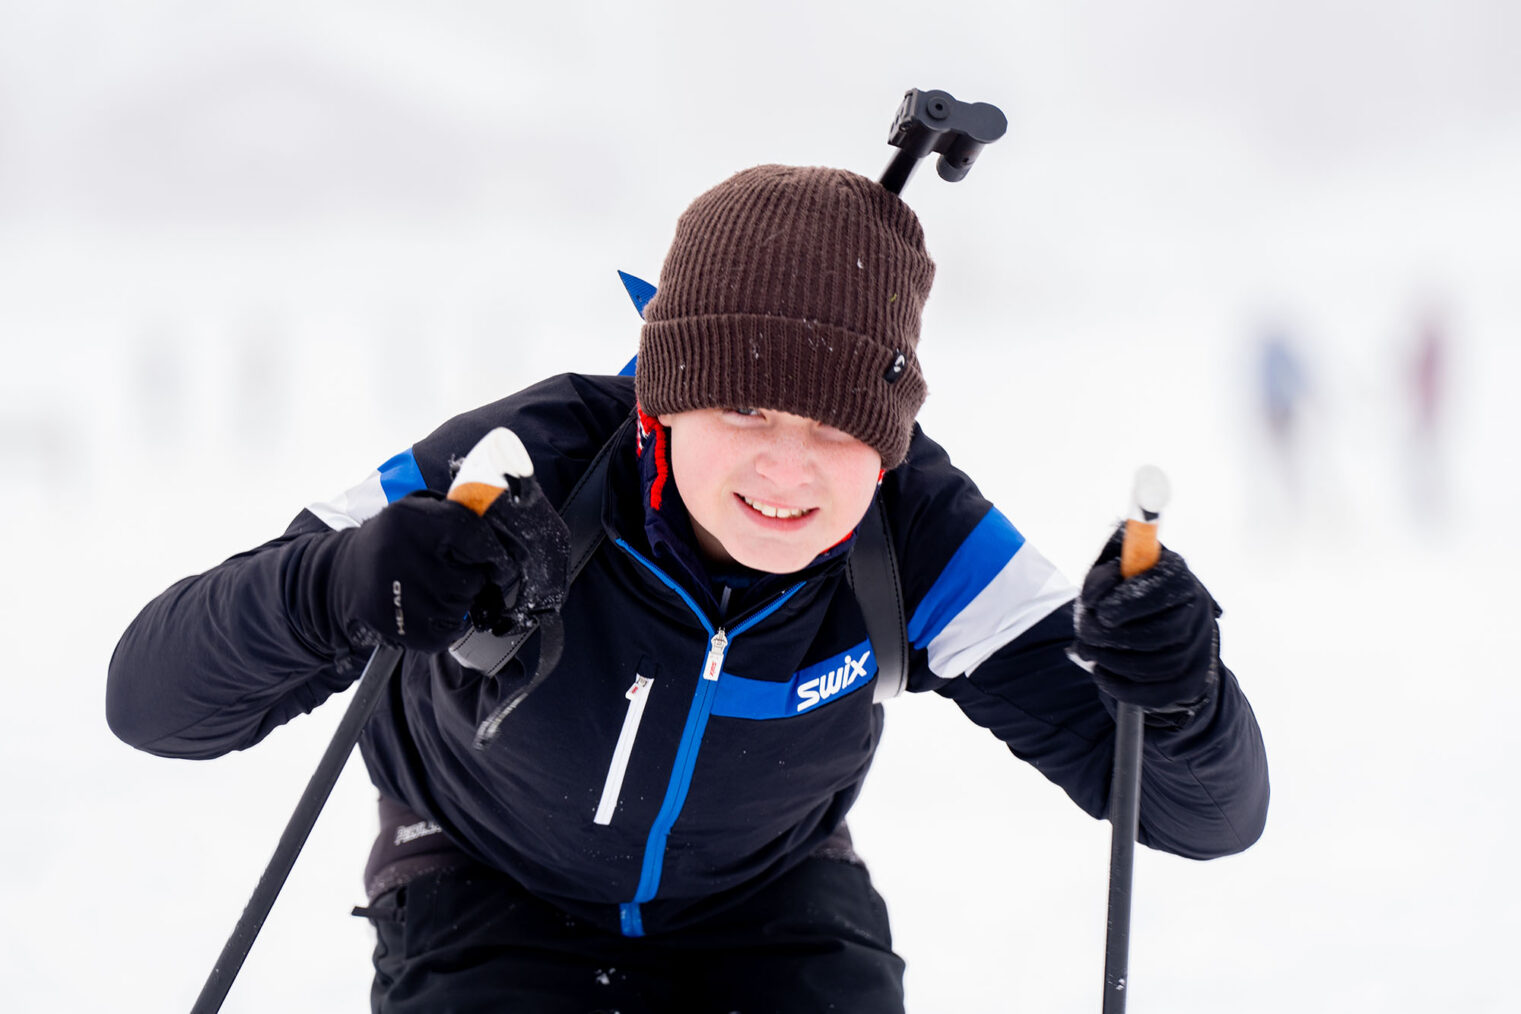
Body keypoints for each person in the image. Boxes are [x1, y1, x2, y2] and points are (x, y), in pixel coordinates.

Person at [107, 164, 1269, 1013]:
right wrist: (339, 584)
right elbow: (153, 702)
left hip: (769, 899)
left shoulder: (916, 531)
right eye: (744, 409)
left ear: (889, 440)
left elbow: (1199, 813)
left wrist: (1177, 693)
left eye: (834, 427)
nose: (786, 466)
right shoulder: (521, 470)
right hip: (481, 880)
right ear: (661, 401)